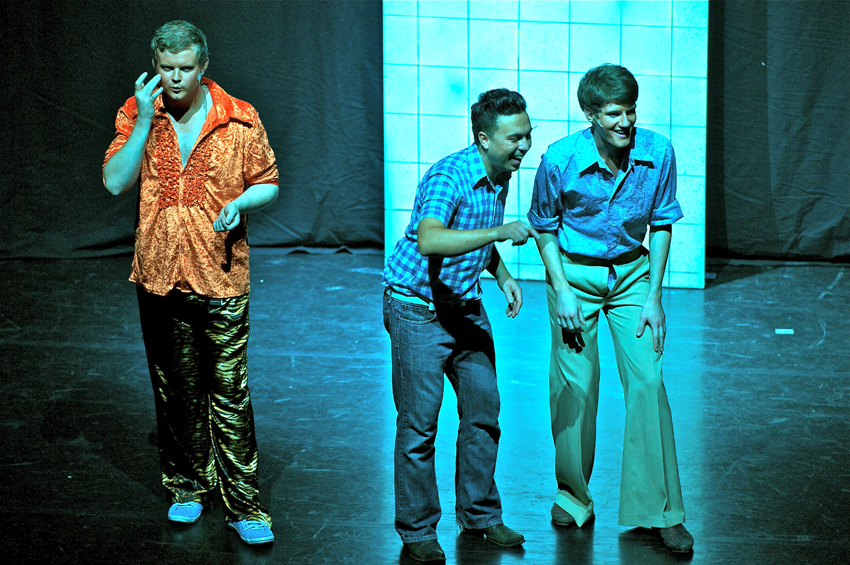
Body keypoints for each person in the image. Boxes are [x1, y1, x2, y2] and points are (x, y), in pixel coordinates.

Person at [102, 20, 278, 545]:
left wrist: (240, 202)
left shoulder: (239, 118)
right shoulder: (138, 113)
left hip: (220, 273)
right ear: (155, 67)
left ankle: (245, 506)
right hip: (160, 273)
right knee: (175, 389)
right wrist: (142, 122)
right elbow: (115, 182)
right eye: (166, 68)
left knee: (229, 391)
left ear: (203, 68)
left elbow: (268, 183)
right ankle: (187, 486)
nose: (175, 78)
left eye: (185, 68)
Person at [528, 64, 694, 553]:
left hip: (632, 276)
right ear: (591, 114)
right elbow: (544, 228)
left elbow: (662, 223)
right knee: (575, 387)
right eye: (614, 113)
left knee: (648, 382)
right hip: (574, 277)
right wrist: (560, 290)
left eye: (631, 111)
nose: (625, 122)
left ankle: (659, 511)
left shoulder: (658, 152)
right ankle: (573, 496)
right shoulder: (559, 159)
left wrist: (655, 296)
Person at [382, 88, 539, 562]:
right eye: (514, 138)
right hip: (418, 309)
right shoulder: (448, 176)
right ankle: (417, 530)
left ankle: (480, 515)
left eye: (527, 135)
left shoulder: (500, 173)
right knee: (419, 425)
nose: (524, 146)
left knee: (483, 409)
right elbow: (430, 240)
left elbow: (475, 238)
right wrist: (499, 233)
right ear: (484, 138)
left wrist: (503, 275)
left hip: (464, 307)